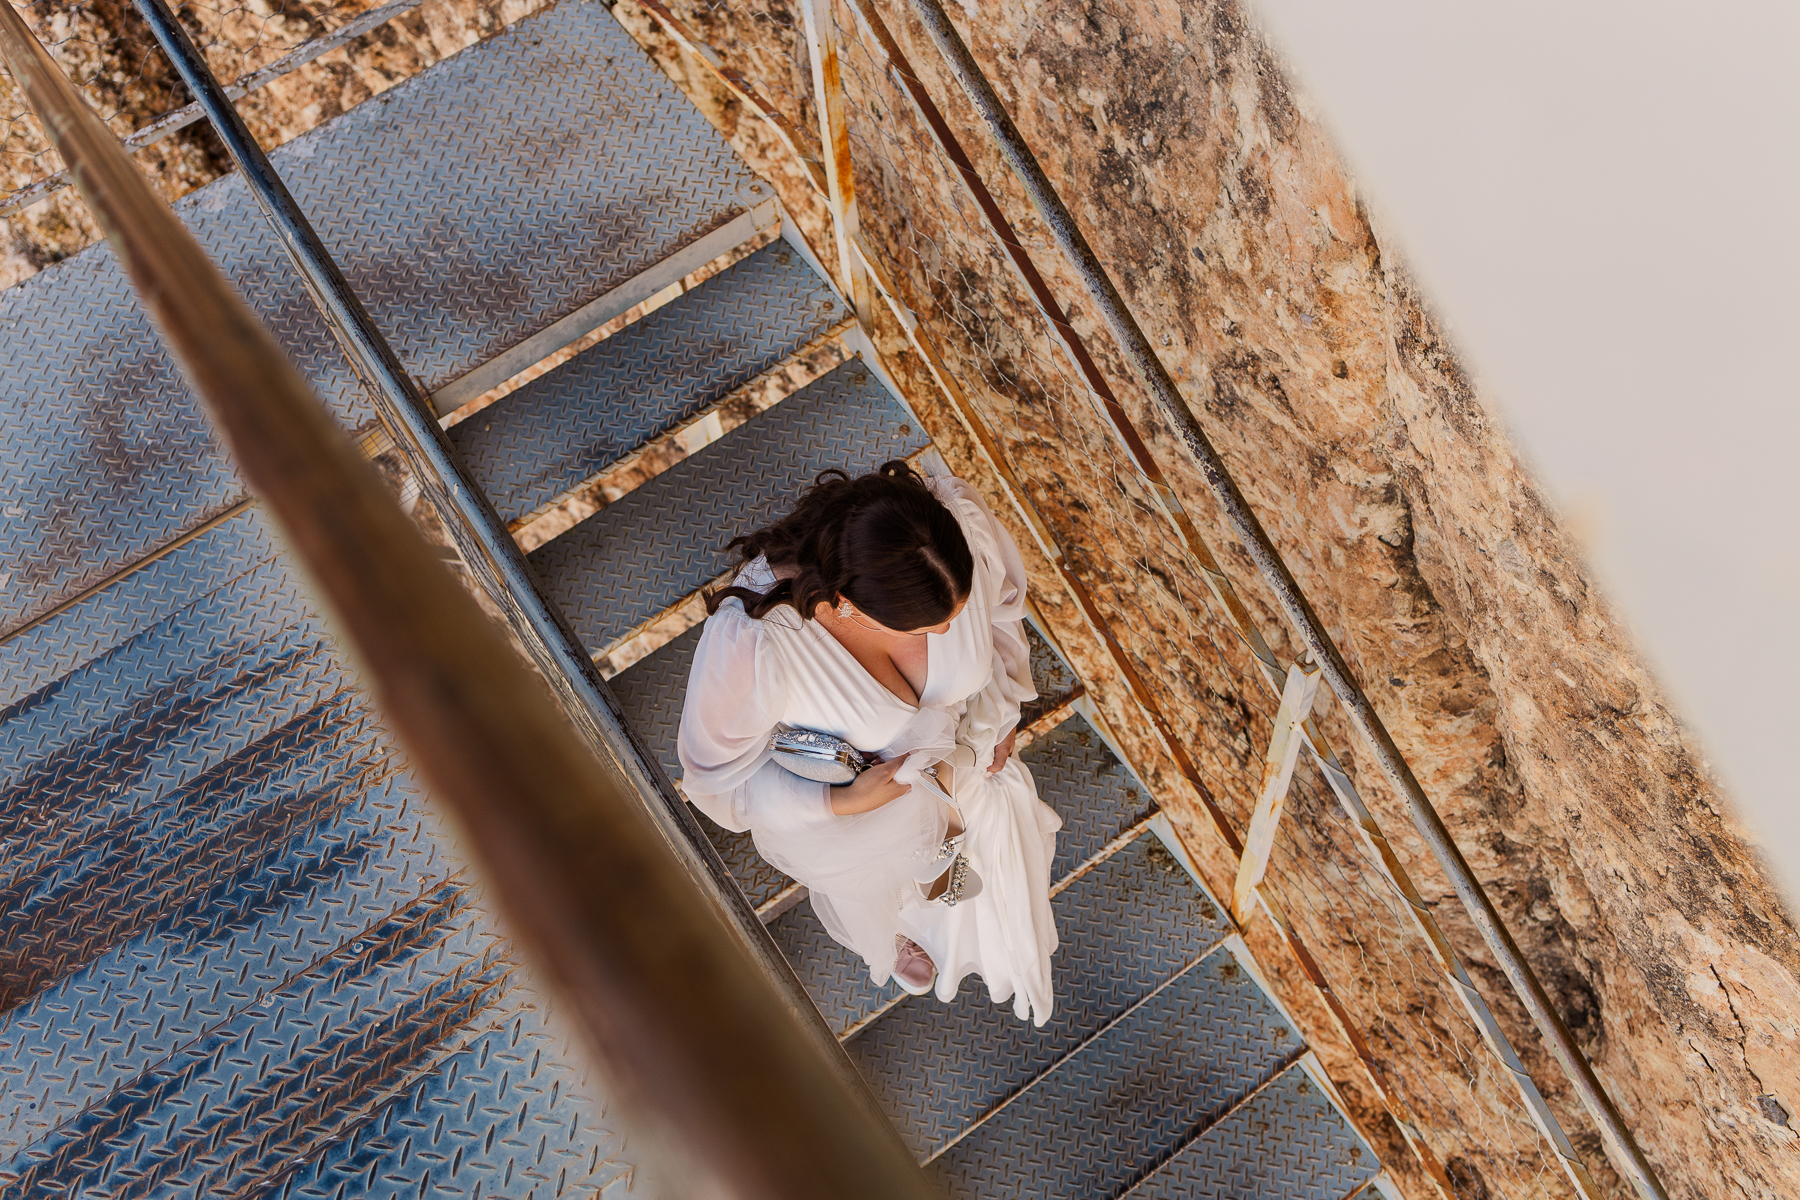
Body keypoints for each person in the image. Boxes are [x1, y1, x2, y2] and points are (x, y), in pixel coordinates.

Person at [677, 460, 1061, 1025]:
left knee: (970, 880)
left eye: (952, 618)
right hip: (863, 811)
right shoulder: (752, 648)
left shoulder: (942, 529)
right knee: (888, 888)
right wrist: (842, 803)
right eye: (923, 627)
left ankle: (939, 903)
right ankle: (892, 934)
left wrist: (999, 718)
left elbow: (1001, 615)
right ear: (848, 606)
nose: (944, 635)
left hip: (968, 765)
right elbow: (712, 784)